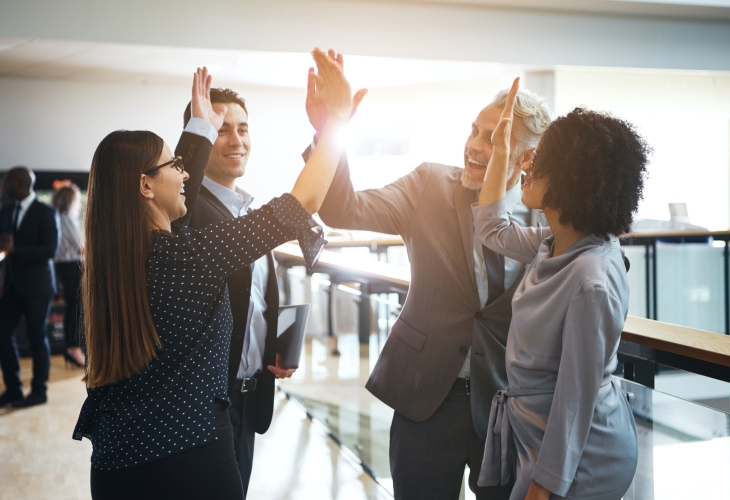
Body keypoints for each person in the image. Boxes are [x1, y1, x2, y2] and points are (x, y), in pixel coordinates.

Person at [73, 51, 353, 500]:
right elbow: (303, 202)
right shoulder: (188, 259)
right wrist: (336, 124)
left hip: (116, 467)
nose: (185, 174)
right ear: (145, 186)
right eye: (174, 166)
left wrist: (201, 127)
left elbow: (177, 205)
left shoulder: (113, 262)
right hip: (191, 461)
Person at [306, 51, 551, 499]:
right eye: (473, 131)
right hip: (425, 397)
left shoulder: (549, 218)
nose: (474, 145)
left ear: (527, 157)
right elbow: (342, 207)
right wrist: (329, 132)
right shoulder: (428, 184)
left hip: (505, 405)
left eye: (492, 139)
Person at [474, 79, 647, 500]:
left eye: (542, 162)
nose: (528, 167)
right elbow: (491, 228)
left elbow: (575, 398)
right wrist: (501, 153)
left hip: (583, 457)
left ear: (572, 180)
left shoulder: (592, 278)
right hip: (539, 437)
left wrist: (544, 485)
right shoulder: (553, 242)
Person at [172, 87, 294, 494]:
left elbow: (253, 301)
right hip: (205, 403)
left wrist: (274, 347)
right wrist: (197, 131)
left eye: (243, 129)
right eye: (222, 130)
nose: (236, 140)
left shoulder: (248, 208)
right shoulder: (185, 211)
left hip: (249, 396)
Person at [0, 166, 59, 408]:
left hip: (38, 287)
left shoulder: (46, 212)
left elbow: (49, 250)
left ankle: (39, 391)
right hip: (13, 285)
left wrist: (16, 250)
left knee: (37, 338)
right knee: (2, 333)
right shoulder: (6, 210)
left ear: (20, 183)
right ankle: (13, 390)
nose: (4, 186)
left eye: (7, 182)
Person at [52, 183, 86, 368]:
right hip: (73, 267)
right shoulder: (67, 219)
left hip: (66, 267)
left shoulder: (57, 217)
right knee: (77, 308)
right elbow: (82, 247)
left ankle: (73, 348)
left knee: (75, 307)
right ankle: (73, 348)